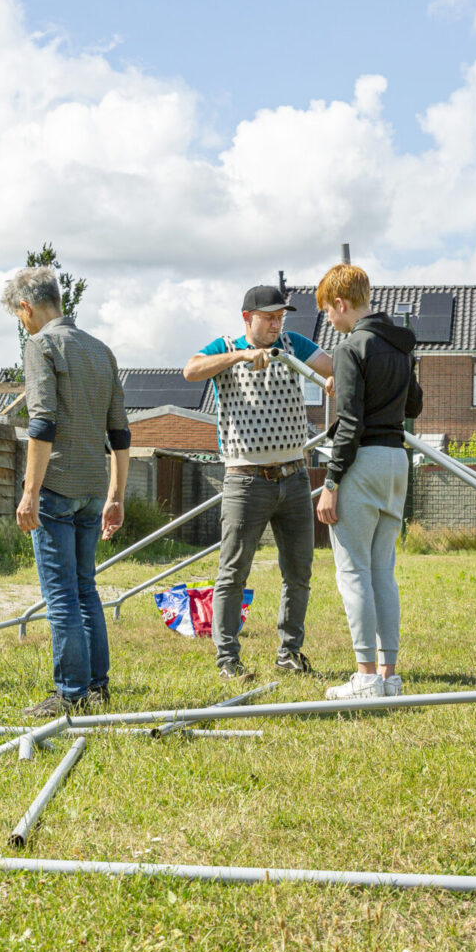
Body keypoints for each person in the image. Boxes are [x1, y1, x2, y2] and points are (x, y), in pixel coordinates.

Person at [183, 284, 335, 681]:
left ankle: (289, 652)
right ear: (247, 318)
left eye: (280, 316)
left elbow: (331, 367)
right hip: (245, 481)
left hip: (294, 476)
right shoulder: (226, 345)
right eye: (269, 317)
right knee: (233, 572)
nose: (275, 323)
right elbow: (190, 370)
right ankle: (228, 659)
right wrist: (241, 356)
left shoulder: (293, 344)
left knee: (299, 571)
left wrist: (338, 377)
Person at [4, 265, 132, 718]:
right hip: (94, 488)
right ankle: (97, 687)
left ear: (27, 307)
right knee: (86, 589)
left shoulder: (40, 345)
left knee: (61, 595)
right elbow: (119, 432)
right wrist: (117, 494)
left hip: (56, 486)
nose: (22, 323)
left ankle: (71, 692)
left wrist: (29, 491)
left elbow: (42, 422)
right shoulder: (102, 351)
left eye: (19, 315)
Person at [313, 263, 423, 700]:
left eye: (328, 312)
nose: (329, 321)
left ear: (341, 304)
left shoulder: (351, 346)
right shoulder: (400, 346)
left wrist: (331, 482)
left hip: (362, 463)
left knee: (352, 570)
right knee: (383, 571)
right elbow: (412, 402)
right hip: (397, 461)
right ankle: (388, 675)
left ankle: (363, 677)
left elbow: (350, 422)